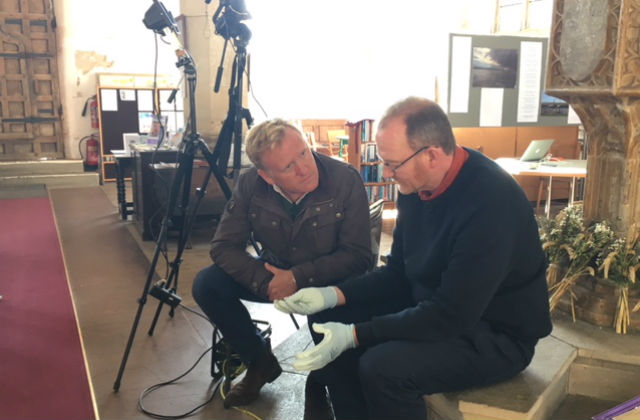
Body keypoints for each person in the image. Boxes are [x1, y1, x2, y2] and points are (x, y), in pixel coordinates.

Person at [275, 97, 553, 420]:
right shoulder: (417, 186)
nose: (387, 172)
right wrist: (332, 295)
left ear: (432, 155)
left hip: (496, 334)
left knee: (383, 368)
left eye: (393, 164)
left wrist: (355, 335)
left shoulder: (491, 205)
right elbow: (398, 274)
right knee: (327, 317)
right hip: (435, 302)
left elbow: (451, 315)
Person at [192, 118, 372, 411]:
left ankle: (328, 386)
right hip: (275, 276)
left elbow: (358, 255)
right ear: (267, 176)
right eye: (288, 166)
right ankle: (259, 362)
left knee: (339, 375)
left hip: (332, 283)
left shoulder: (345, 179)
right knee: (207, 284)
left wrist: (297, 278)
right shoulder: (251, 184)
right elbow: (224, 246)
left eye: (304, 152)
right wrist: (268, 282)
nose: (305, 168)